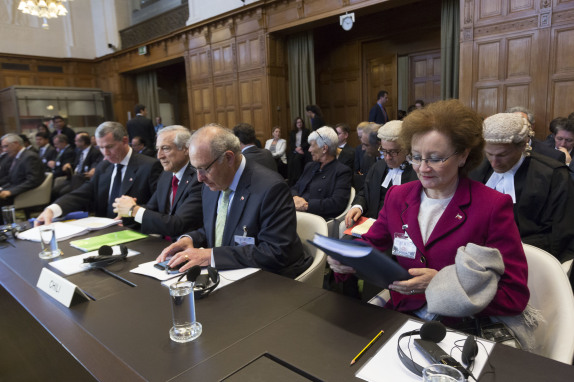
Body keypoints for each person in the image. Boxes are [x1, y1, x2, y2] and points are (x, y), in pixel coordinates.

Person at [329, 100, 530, 329]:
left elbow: (514, 295)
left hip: (460, 327)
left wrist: (440, 284)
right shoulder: (398, 196)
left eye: (435, 158)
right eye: (415, 156)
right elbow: (372, 244)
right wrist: (345, 258)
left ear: (463, 156)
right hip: (403, 316)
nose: (423, 168)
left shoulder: (491, 206)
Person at [155, 124, 312, 278]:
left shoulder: (271, 188)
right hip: (229, 274)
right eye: (195, 169)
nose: (199, 178)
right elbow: (218, 229)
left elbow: (275, 252)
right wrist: (190, 239)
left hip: (272, 280)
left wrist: (211, 256)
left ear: (229, 158)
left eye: (204, 169)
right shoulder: (212, 184)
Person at [471, 113, 574, 266]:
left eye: (502, 155)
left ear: (523, 145)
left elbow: (560, 233)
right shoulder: (477, 169)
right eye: (489, 154)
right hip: (478, 253)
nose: (494, 163)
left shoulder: (553, 174)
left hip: (530, 257)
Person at [35, 121, 162, 224]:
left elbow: (157, 206)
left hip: (135, 229)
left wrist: (131, 215)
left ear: (124, 141)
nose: (105, 153)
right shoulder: (104, 166)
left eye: (109, 147)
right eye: (101, 147)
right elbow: (83, 193)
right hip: (103, 229)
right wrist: (52, 209)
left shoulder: (149, 166)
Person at [113, 126, 203, 238]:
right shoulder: (166, 174)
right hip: (162, 243)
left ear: (186, 149)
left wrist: (134, 210)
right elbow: (152, 208)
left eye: (165, 148)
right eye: (158, 149)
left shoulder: (199, 178)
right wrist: (126, 212)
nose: (159, 156)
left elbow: (178, 225)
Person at [345, 120, 418, 226]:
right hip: (373, 225)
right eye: (384, 150)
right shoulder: (377, 167)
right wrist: (358, 206)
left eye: (393, 152)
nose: (387, 157)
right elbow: (365, 193)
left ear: (407, 148)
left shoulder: (418, 174)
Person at [291, 126, 352, 220]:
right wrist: (295, 197)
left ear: (324, 149)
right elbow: (295, 187)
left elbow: (337, 204)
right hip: (297, 214)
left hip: (318, 220)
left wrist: (306, 205)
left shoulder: (342, 171)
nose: (309, 150)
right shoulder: (309, 166)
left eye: (312, 145)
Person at [0, 134, 45, 218]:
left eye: (6, 146)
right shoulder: (18, 157)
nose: (4, 150)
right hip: (14, 188)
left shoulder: (30, 157)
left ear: (16, 144)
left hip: (25, 192)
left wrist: (11, 192)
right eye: (3, 147)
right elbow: (11, 178)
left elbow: (33, 180)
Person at [53, 132, 103, 197]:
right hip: (74, 177)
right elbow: (76, 164)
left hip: (84, 179)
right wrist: (69, 165)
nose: (74, 143)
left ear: (83, 142)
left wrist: (93, 169)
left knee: (63, 192)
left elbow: (96, 163)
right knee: (55, 190)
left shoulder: (95, 152)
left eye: (76, 141)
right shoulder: (78, 151)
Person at [287, 117, 310, 186]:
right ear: (295, 124)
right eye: (297, 122)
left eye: (300, 122)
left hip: (303, 150)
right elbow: (291, 143)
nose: (299, 124)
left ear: (302, 123)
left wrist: (300, 148)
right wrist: (296, 149)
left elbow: (307, 142)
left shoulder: (306, 131)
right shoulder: (292, 132)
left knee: (297, 159)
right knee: (290, 160)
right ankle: (291, 181)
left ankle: (298, 179)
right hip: (295, 150)